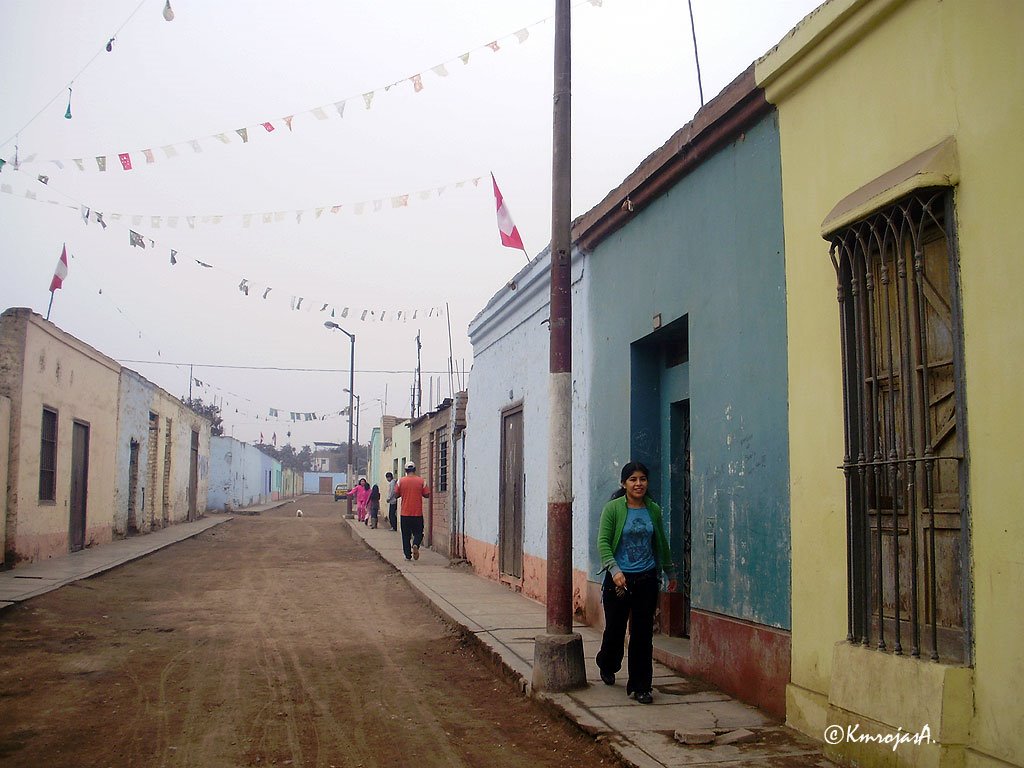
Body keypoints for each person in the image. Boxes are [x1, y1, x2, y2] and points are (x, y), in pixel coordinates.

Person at [595, 461, 676, 705]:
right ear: (624, 484)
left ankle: (641, 686)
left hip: (646, 578)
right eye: (633, 479)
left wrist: (670, 573)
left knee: (642, 635)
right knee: (615, 630)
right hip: (618, 581)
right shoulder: (613, 509)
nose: (638, 484)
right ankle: (607, 662)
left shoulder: (653, 510)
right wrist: (614, 569)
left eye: (642, 479)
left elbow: (661, 541)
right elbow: (603, 542)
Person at [394, 462, 430, 561]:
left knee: (405, 535)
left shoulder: (400, 481)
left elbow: (396, 495)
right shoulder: (421, 481)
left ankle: (408, 555)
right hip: (417, 513)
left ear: (405, 471)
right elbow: (427, 494)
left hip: (405, 513)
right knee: (419, 532)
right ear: (415, 469)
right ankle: (415, 544)